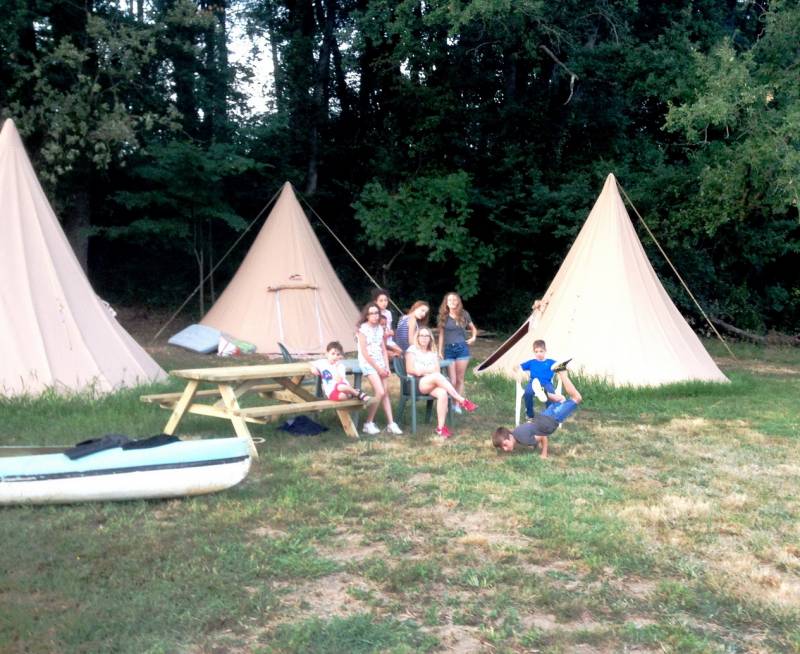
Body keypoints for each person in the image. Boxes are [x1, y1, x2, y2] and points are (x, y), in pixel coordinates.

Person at [492, 370, 582, 458]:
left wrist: (544, 454)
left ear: (510, 436)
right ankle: (546, 394)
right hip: (543, 416)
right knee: (561, 400)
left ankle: (562, 373)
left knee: (576, 398)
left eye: (505, 445)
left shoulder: (523, 439)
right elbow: (530, 429)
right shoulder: (516, 431)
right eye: (502, 447)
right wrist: (535, 444)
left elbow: (543, 437)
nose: (504, 449)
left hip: (551, 419)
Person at [405, 328, 477, 438]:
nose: (424, 338)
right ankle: (461, 400)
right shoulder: (412, 350)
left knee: (443, 393)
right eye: (421, 336)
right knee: (437, 377)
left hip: (431, 382)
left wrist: (424, 372)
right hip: (415, 383)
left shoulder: (433, 352)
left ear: (430, 338)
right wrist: (427, 372)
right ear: (417, 338)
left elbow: (437, 371)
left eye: (427, 336)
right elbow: (410, 370)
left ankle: (440, 428)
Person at [356, 302, 403, 435]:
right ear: (367, 315)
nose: (375, 316)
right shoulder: (362, 329)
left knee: (385, 393)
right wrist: (378, 368)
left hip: (381, 362)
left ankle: (391, 423)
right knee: (380, 392)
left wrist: (386, 366)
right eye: (372, 313)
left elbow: (383, 348)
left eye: (377, 313)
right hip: (368, 363)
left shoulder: (380, 328)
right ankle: (368, 423)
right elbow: (365, 353)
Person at [437, 292, 477, 413]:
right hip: (449, 349)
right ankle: (449, 402)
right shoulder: (443, 316)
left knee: (460, 379)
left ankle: (456, 405)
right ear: (446, 303)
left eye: (455, 300)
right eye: (450, 300)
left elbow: (473, 328)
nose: (453, 302)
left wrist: (474, 337)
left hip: (462, 349)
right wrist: (439, 351)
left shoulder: (464, 314)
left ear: (458, 301)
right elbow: (441, 335)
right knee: (452, 380)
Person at [519, 339, 573, 420]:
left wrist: (566, 368)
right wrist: (519, 372)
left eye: (541, 351)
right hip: (533, 383)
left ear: (545, 351)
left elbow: (560, 366)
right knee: (527, 393)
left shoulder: (550, 362)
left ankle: (549, 414)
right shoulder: (531, 362)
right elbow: (519, 367)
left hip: (546, 383)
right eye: (536, 351)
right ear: (534, 352)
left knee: (551, 392)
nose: (538, 354)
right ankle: (530, 414)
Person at [371, 288, 403, 358]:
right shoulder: (374, 313)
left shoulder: (388, 313)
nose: (384, 303)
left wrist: (391, 332)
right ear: (376, 302)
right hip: (378, 341)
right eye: (381, 301)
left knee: (400, 352)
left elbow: (389, 327)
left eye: (385, 300)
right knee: (392, 355)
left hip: (389, 340)